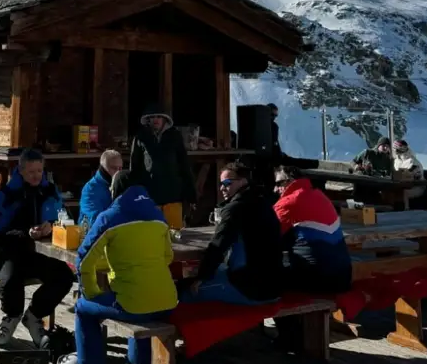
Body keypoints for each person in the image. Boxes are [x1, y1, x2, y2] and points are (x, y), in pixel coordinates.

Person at [61, 170, 177, 364]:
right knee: (141, 302)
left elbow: (83, 260)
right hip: (167, 301)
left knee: (84, 310)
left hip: (133, 303)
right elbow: (167, 258)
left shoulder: (111, 216)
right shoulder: (158, 215)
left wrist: (91, 292)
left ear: (115, 191)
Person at [0, 148, 74, 348]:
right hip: (13, 252)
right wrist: (25, 234)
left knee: (64, 277)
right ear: (21, 171)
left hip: (41, 254)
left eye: (39, 171)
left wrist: (52, 226)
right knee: (10, 281)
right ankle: (11, 317)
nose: (36, 175)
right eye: (31, 172)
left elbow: (65, 218)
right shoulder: (8, 194)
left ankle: (34, 316)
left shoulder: (50, 190)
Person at [183, 162, 283, 304]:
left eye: (227, 183)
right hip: (274, 285)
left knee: (183, 293)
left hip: (252, 289)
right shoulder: (263, 202)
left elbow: (218, 245)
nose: (222, 188)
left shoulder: (236, 208)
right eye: (221, 184)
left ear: (242, 182)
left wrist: (201, 277)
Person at [273, 166, 352, 293]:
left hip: (316, 280)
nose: (275, 189)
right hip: (343, 278)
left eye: (278, 183)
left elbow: (265, 236)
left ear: (290, 181)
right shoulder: (320, 196)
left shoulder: (288, 202)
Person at [130, 104, 196, 229]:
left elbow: (184, 165)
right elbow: (134, 168)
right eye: (152, 117)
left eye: (159, 117)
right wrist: (135, 194)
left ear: (165, 119)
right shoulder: (140, 137)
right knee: (152, 232)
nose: (156, 119)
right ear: (147, 120)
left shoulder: (175, 136)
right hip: (150, 195)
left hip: (173, 194)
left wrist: (191, 195)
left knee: (175, 233)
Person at [253, 103, 319, 197]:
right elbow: (274, 145)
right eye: (272, 115)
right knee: (292, 163)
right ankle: (316, 164)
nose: (274, 118)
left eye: (275, 115)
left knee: (293, 162)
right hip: (270, 161)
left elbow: (274, 145)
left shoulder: (261, 125)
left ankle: (316, 164)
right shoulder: (271, 127)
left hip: (269, 159)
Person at [79, 149, 123, 227]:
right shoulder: (90, 189)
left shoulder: (122, 185)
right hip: (94, 235)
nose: (118, 172)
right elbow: (96, 221)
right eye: (114, 168)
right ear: (104, 168)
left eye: (120, 168)